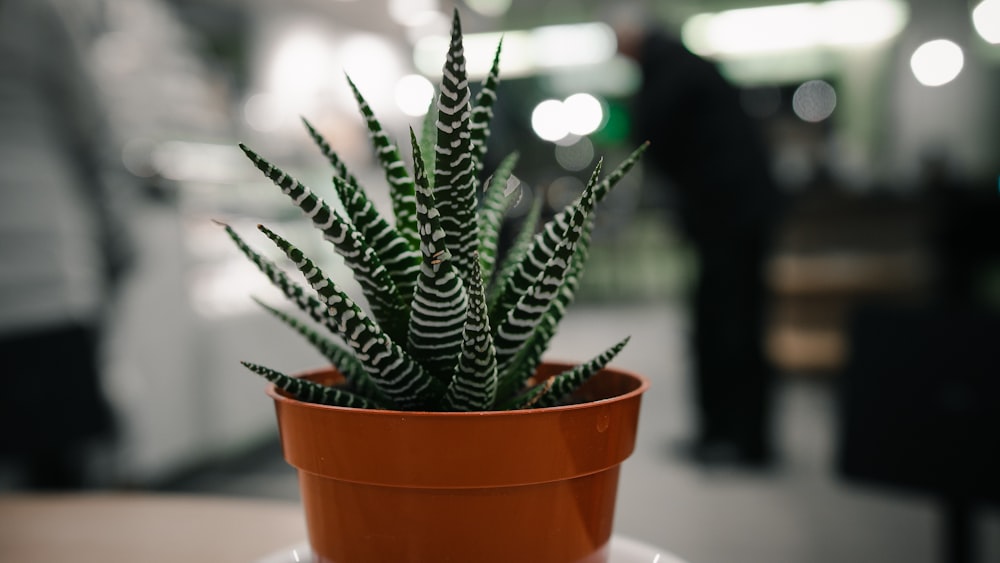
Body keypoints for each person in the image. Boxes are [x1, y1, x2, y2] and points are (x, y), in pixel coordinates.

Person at [615, 16, 784, 467]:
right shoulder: (683, 65)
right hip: (733, 214)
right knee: (729, 323)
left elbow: (645, 132)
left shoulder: (670, 71)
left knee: (729, 327)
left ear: (632, 35)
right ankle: (730, 436)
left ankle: (740, 440)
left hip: (728, 217)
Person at [0, 0, 135, 488]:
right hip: (47, 277)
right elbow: (93, 133)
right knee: (66, 480)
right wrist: (120, 251)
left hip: (44, 276)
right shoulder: (40, 13)